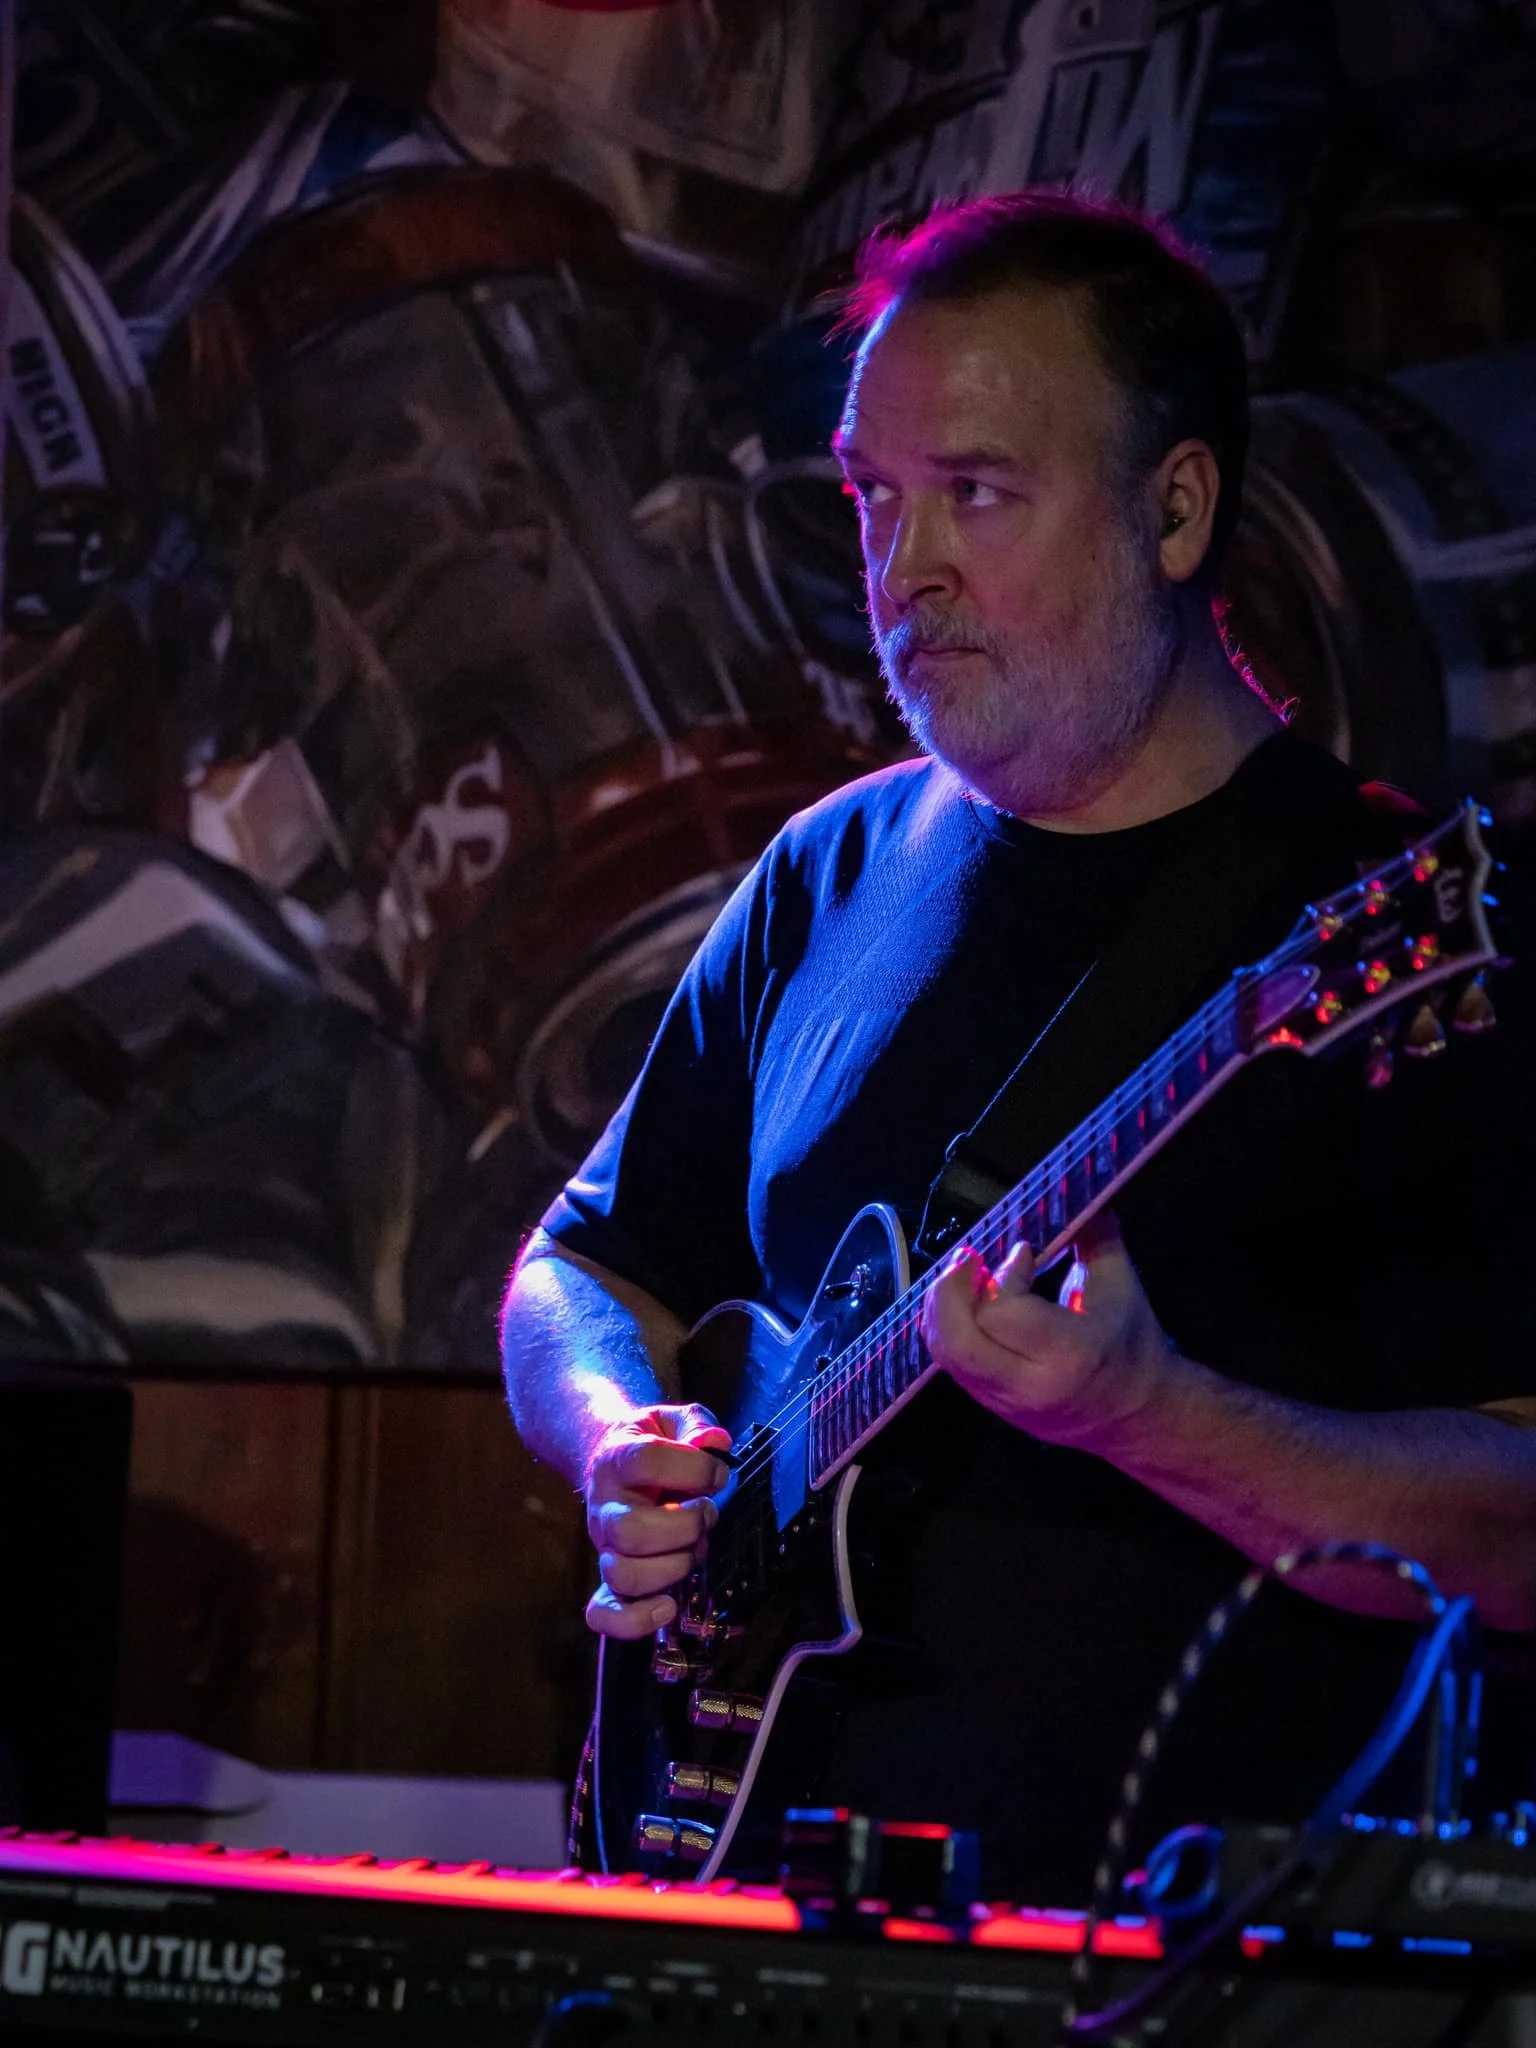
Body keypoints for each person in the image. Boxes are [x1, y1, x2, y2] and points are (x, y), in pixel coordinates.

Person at [500, 190, 1536, 1898]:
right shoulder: (824, 870)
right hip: (744, 1915)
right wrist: (618, 1432)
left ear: (1178, 508)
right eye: (873, 499)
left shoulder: (1387, 929)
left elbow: (1515, 1540)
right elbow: (585, 1259)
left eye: (975, 494)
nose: (905, 571)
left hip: (1173, 1963)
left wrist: (1152, 1414)